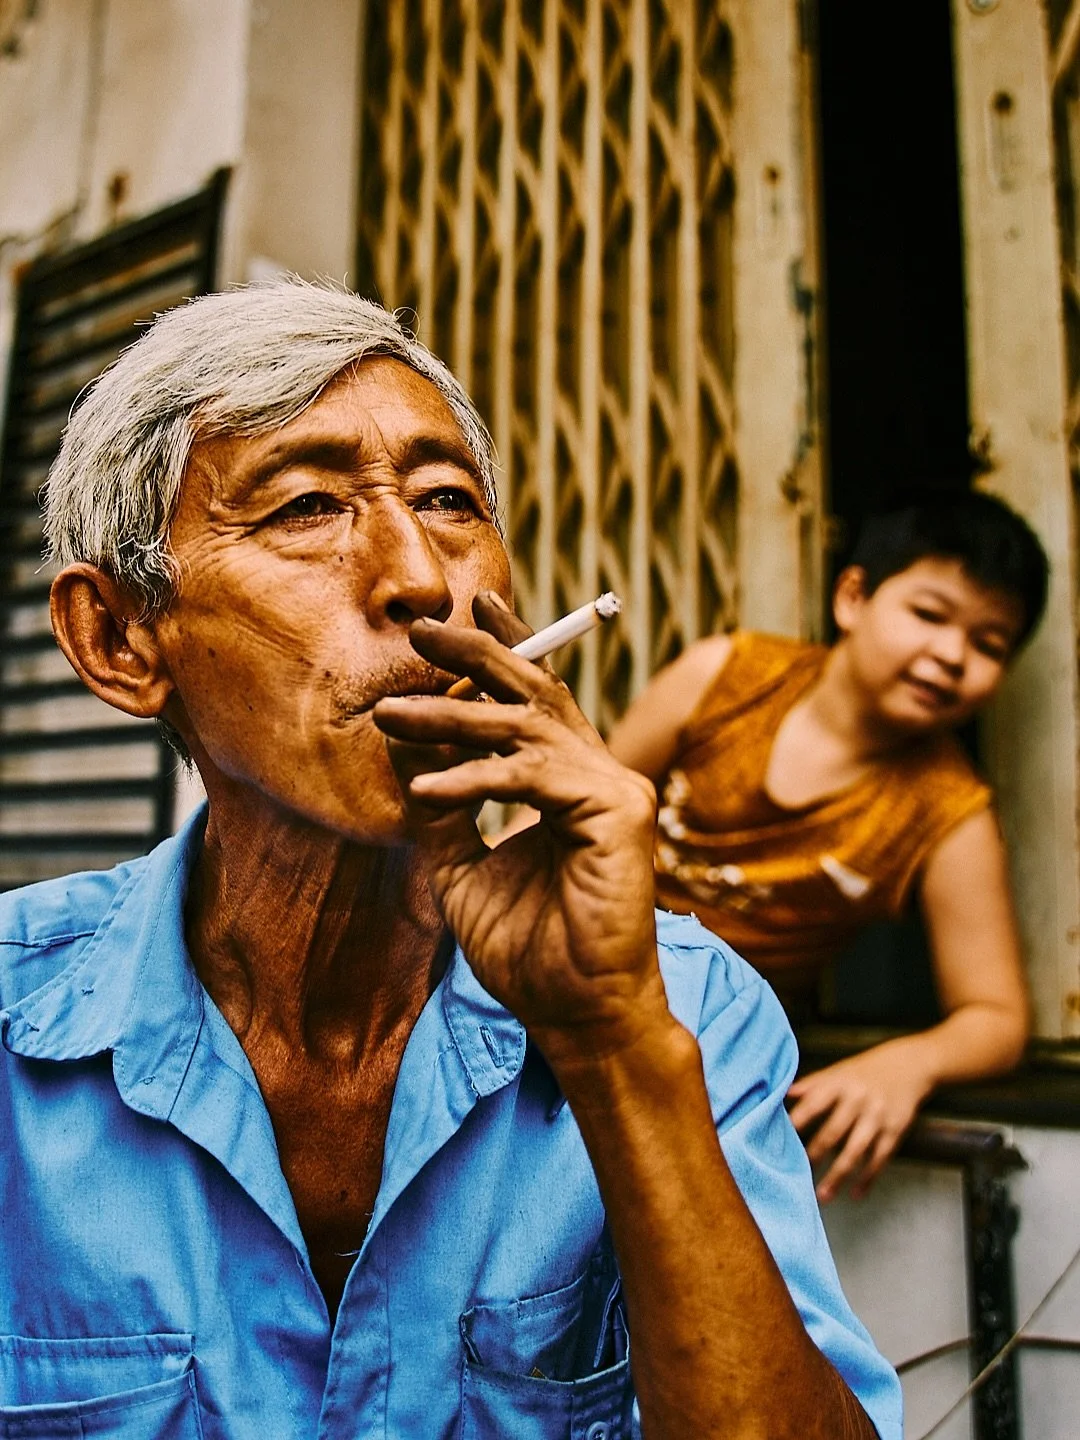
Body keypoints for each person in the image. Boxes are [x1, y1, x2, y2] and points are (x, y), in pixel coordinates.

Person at [0, 278, 900, 1439]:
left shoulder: (680, 1006)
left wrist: (614, 1045)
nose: (423, 578)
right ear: (121, 639)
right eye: (308, 508)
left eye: (448, 499)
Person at [606, 494, 1044, 1204]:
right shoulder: (728, 675)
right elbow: (582, 809)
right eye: (929, 615)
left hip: (711, 1044)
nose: (951, 654)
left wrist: (907, 1065)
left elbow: (996, 1018)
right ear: (853, 597)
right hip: (589, 964)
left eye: (990, 644)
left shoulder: (948, 810)